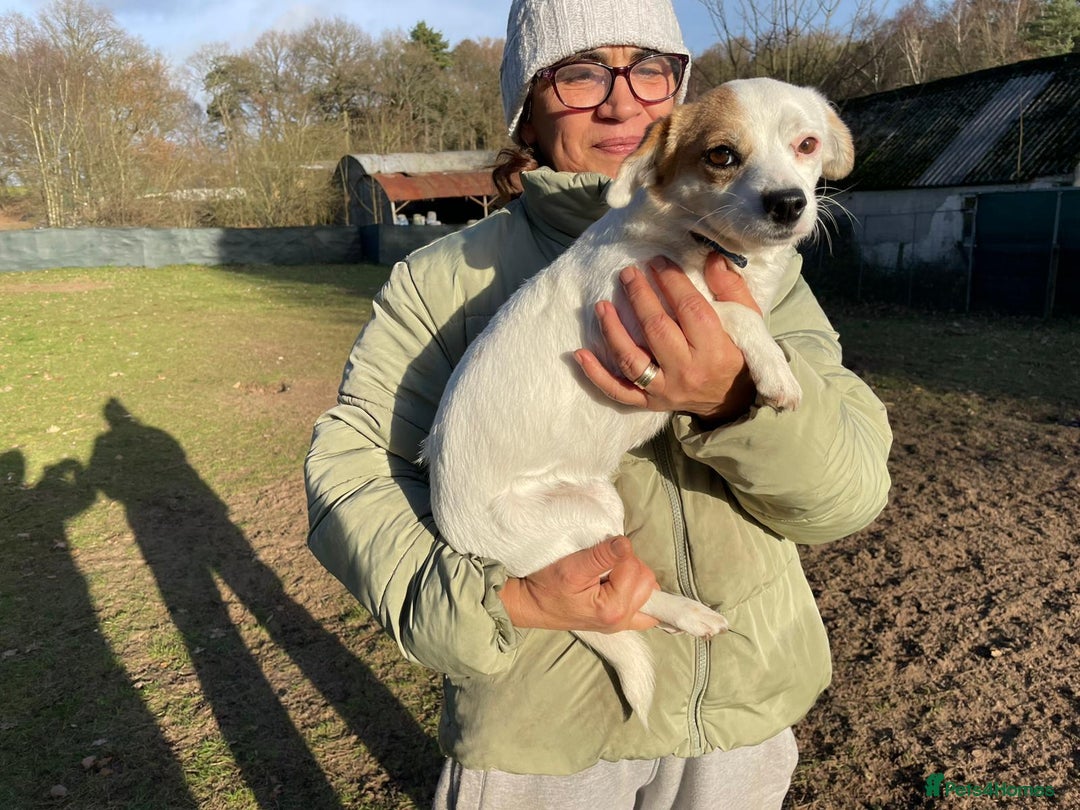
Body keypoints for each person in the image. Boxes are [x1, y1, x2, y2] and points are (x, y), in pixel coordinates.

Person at [304, 0, 893, 807]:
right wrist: (501, 602)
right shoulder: (442, 279)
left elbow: (849, 494)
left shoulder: (767, 269)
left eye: (649, 67)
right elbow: (351, 471)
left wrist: (732, 404)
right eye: (579, 73)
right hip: (537, 734)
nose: (621, 100)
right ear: (526, 108)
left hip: (742, 712)